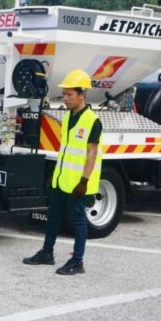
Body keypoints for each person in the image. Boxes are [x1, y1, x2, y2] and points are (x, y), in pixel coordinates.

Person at [23, 69, 102, 276]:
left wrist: (84, 181)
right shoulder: (67, 117)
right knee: (53, 216)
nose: (65, 98)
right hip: (62, 179)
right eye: (64, 94)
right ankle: (47, 253)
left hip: (79, 183)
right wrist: (55, 176)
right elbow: (66, 150)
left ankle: (77, 261)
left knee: (78, 220)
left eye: (69, 94)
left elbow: (91, 153)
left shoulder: (92, 120)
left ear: (81, 94)